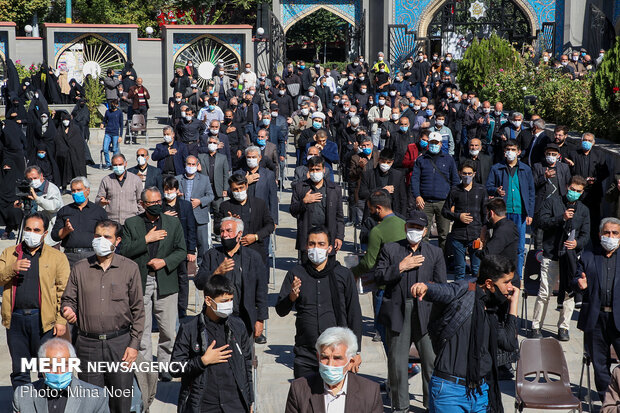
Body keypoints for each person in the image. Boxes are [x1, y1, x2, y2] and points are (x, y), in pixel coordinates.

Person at [410, 255, 519, 413]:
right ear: (489, 283)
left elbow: (509, 343)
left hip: (480, 392)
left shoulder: (494, 306)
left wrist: (513, 305)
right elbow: (445, 290)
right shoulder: (465, 290)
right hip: (450, 392)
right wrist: (425, 288)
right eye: (506, 282)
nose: (510, 287)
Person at [61, 219, 145, 413]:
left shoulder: (129, 268)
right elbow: (68, 299)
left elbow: (138, 311)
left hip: (120, 345)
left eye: (107, 237)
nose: (101, 240)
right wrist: (67, 309)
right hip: (87, 346)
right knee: (91, 403)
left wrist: (133, 346)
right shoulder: (80, 268)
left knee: (121, 402)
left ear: (117, 240)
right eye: (98, 236)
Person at [374, 210, 447, 411]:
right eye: (411, 226)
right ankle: (400, 405)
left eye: (418, 228)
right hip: (399, 310)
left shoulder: (434, 253)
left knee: (430, 361)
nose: (414, 230)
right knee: (397, 363)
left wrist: (429, 290)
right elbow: (378, 277)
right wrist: (400, 267)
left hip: (426, 311)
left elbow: (442, 286)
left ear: (425, 232)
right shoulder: (391, 249)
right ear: (405, 227)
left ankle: (431, 404)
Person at [276, 228, 362, 378]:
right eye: (312, 244)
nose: (316, 248)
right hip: (306, 353)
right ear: (306, 247)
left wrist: (356, 352)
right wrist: (291, 297)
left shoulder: (342, 274)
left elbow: (354, 313)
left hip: (336, 353)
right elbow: (280, 310)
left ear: (329, 248)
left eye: (321, 244)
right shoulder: (296, 273)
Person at [120, 187, 186, 381]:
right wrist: (146, 240)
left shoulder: (173, 223)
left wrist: (164, 262)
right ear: (142, 204)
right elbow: (124, 251)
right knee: (143, 328)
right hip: (141, 280)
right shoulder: (132, 224)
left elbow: (181, 250)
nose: (157, 206)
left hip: (165, 279)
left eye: (159, 202)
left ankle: (165, 365)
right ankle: (146, 368)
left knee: (167, 329)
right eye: (152, 203)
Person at [0, 213, 69, 388]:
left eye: (36, 230)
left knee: (46, 370)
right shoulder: (10, 253)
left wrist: (61, 321)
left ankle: (45, 405)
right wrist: (12, 268)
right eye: (28, 229)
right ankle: (22, 405)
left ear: (45, 233)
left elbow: (64, 291)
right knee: (20, 370)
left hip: (44, 321)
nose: (32, 233)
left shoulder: (56, 257)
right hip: (16, 320)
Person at [171, 275, 254, 412]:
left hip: (235, 405)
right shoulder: (190, 329)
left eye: (231, 300)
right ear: (208, 300)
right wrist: (202, 361)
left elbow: (247, 366)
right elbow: (175, 368)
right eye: (224, 301)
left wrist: (249, 400)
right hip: (204, 405)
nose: (228, 304)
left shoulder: (238, 326)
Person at [531, 175, 589, 341]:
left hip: (570, 258)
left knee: (569, 294)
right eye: (572, 189)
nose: (574, 193)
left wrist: (577, 243)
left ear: (582, 192)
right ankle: (536, 326)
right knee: (544, 292)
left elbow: (586, 235)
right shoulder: (553, 202)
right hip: (551, 253)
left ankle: (563, 328)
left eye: (578, 191)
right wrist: (561, 218)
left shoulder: (584, 210)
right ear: (566, 186)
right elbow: (541, 221)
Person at [194, 217, 268, 340]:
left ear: (239, 234)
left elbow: (261, 290)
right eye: (222, 231)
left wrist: (260, 319)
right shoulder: (211, 255)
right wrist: (216, 273)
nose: (224, 235)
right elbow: (199, 282)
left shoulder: (253, 257)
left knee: (244, 356)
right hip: (216, 317)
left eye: (229, 231)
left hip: (244, 318)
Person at [573, 217, 620, 402]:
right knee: (600, 365)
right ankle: (607, 402)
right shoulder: (588, 256)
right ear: (600, 235)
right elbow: (574, 280)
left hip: (618, 319)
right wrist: (579, 284)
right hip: (596, 318)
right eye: (607, 233)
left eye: (615, 233)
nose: (611, 236)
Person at [284, 327, 382, 413]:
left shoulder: (370, 392)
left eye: (337, 358)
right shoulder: (299, 389)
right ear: (318, 357)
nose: (330, 364)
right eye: (325, 357)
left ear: (350, 362)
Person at [13, 338, 109, 413]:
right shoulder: (22, 396)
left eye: (64, 366)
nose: (59, 372)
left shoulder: (97, 398)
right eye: (52, 367)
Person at [486, 139, 535, 280]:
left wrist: (530, 213)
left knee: (519, 247)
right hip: (503, 213)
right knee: (501, 244)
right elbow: (488, 186)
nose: (510, 152)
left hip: (520, 212)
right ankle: (501, 275)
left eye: (513, 150)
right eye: (508, 149)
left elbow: (531, 192)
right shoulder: (497, 168)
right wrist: (496, 190)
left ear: (519, 152)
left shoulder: (525, 169)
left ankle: (517, 277)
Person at [411, 131, 460, 250]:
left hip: (443, 202)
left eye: (436, 143)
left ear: (440, 143)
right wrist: (417, 196)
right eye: (431, 142)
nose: (433, 145)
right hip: (425, 202)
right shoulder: (421, 160)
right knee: (423, 234)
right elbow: (415, 179)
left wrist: (453, 202)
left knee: (444, 234)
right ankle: (425, 258)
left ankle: (442, 259)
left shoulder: (448, 159)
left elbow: (455, 181)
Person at [290, 156, 344, 258]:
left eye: (317, 169)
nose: (315, 172)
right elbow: (293, 210)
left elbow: (339, 216)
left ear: (323, 170)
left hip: (327, 236)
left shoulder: (334, 189)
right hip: (308, 235)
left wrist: (339, 237)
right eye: (312, 170)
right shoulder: (300, 187)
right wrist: (304, 202)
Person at [442, 160, 487, 280]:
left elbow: (485, 214)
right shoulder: (454, 190)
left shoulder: (481, 190)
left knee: (476, 268)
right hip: (458, 235)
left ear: (474, 174)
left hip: (475, 234)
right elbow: (445, 211)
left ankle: (476, 296)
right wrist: (458, 216)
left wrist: (482, 236)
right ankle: (458, 295)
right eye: (464, 173)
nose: (467, 176)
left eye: (469, 173)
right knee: (459, 269)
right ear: (459, 173)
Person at [51, 177, 108, 267]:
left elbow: (107, 234)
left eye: (79, 190)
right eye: (73, 191)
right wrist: (66, 230)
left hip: (92, 255)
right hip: (70, 256)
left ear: (87, 191)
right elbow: (55, 236)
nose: (76, 193)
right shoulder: (64, 211)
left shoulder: (99, 212)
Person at [220, 173, 274, 267]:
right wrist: (228, 221)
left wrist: (256, 237)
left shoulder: (259, 204)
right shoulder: (225, 206)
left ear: (247, 186)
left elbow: (270, 225)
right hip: (233, 253)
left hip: (256, 250)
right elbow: (217, 228)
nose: (239, 191)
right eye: (235, 189)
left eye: (241, 188)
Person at [162, 176, 196, 319]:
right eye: (166, 190)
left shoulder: (185, 206)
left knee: (182, 279)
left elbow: (191, 228)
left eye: (171, 189)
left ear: (177, 190)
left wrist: (191, 250)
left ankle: (182, 308)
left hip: (180, 249)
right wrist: (162, 216)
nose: (168, 192)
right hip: (164, 249)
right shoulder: (160, 207)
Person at [567, 132, 609, 243]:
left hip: (593, 193)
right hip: (578, 193)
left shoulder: (599, 155)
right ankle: (574, 240)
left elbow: (605, 172)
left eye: (589, 141)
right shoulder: (573, 154)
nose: (587, 142)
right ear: (581, 141)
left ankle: (594, 242)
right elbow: (568, 173)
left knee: (594, 219)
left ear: (593, 143)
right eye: (585, 140)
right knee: (576, 217)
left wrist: (595, 179)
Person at [17, 165, 63, 245]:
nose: (33, 181)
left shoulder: (51, 189)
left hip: (48, 235)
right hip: (32, 233)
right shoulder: (28, 188)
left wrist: (37, 199)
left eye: (35, 178)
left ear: (41, 176)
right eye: (30, 179)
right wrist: (20, 206)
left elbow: (54, 207)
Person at [196, 133, 230, 234]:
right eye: (210, 142)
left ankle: (218, 233)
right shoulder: (201, 157)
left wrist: (225, 189)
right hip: (205, 189)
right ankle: (205, 233)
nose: (212, 144)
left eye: (214, 143)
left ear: (218, 145)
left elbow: (225, 174)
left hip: (217, 189)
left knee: (218, 213)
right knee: (204, 212)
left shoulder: (222, 157)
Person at [358, 149, 408, 217]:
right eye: (383, 161)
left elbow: (403, 198)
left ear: (392, 162)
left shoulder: (398, 175)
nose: (385, 164)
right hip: (373, 214)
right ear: (379, 159)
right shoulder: (368, 174)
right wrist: (382, 190)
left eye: (388, 162)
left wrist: (402, 218)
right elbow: (362, 194)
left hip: (393, 215)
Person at [95, 154, 143, 225]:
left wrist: (139, 216)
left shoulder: (135, 180)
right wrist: (101, 202)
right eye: (115, 165)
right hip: (112, 221)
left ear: (125, 164)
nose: (118, 167)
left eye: (120, 164)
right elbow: (98, 200)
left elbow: (141, 200)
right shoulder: (106, 180)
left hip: (131, 221)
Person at [475, 198, 519, 268]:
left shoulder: (502, 231)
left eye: (487, 213)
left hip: (502, 273)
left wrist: (479, 249)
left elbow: (487, 255)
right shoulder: (510, 224)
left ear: (491, 213)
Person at [54, 112, 87, 191]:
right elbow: (58, 142)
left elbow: (79, 143)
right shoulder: (59, 130)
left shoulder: (75, 129)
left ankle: (78, 187)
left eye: (67, 120)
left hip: (74, 155)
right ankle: (64, 188)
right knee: (63, 172)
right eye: (64, 120)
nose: (65, 121)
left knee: (75, 172)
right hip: (63, 156)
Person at [100, 99, 124, 168]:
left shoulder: (119, 113)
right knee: (105, 149)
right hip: (108, 133)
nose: (113, 106)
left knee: (114, 149)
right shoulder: (107, 112)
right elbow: (105, 120)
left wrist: (120, 135)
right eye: (112, 104)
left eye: (114, 104)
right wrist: (102, 124)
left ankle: (115, 163)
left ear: (117, 105)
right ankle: (108, 164)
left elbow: (121, 125)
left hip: (115, 133)